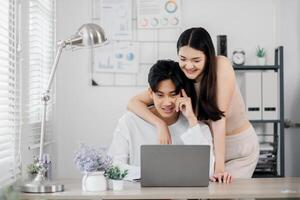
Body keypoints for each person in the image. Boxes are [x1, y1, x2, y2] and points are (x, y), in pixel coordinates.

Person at [127, 27, 259, 183]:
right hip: (208, 146)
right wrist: (160, 124)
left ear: (208, 57)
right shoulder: (180, 74)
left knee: (223, 193)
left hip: (238, 148)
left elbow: (218, 120)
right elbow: (134, 103)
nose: (188, 66)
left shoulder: (221, 66)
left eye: (196, 60)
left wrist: (219, 169)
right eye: (183, 59)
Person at [108, 60, 215, 179]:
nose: (167, 102)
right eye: (160, 95)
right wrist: (153, 173)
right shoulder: (129, 122)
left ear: (182, 93)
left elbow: (208, 170)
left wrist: (191, 119)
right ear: (150, 93)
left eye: (173, 94)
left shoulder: (197, 127)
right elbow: (114, 168)